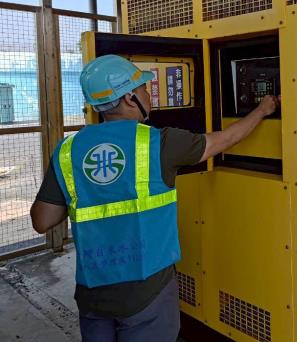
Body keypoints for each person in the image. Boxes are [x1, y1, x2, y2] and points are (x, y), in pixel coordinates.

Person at [30, 54, 279, 342]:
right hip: (147, 292)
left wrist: (89, 189)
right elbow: (224, 140)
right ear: (129, 98)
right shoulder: (159, 142)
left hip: (93, 293)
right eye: (144, 89)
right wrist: (262, 110)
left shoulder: (68, 149)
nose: (149, 96)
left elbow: (42, 220)